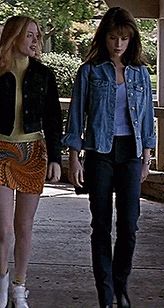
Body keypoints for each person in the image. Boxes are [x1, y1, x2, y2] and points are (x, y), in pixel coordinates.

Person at [63, 7, 156, 308]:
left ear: (132, 40)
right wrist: (74, 158)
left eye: (124, 39)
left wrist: (147, 157)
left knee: (129, 225)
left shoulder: (141, 73)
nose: (118, 44)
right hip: (99, 153)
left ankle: (120, 285)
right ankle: (105, 293)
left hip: (130, 153)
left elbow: (147, 119)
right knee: (101, 224)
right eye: (113, 37)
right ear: (104, 37)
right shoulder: (89, 71)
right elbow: (76, 117)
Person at [0, 16, 62, 308]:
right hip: (0, 152)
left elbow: (53, 119)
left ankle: (19, 287)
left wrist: (56, 158)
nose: (35, 40)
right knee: (3, 230)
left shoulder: (43, 74)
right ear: (13, 36)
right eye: (30, 35)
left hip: (33, 153)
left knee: (24, 226)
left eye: (37, 35)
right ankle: (1, 285)